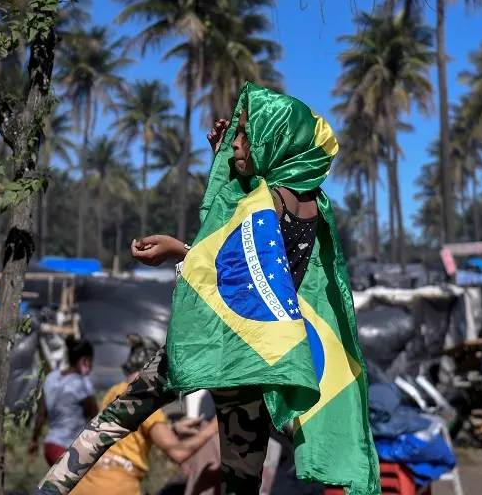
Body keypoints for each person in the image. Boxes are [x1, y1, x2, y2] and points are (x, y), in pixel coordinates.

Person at [36, 83, 377, 495]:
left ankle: (50, 490)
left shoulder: (266, 201)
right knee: (241, 483)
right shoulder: (311, 204)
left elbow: (224, 261)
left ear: (273, 139)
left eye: (246, 134)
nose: (236, 142)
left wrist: (175, 248)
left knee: (113, 421)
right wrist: (226, 162)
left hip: (209, 339)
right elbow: (235, 245)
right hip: (253, 364)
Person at [69, 334, 219, 495]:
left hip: (84, 484)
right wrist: (213, 427)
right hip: (117, 487)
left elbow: (129, 436)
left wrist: (173, 429)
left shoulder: (113, 393)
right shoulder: (145, 398)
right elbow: (178, 452)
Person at [30, 338, 99, 466]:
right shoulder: (82, 384)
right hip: (68, 448)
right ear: (84, 360)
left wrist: (34, 440)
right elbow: (95, 417)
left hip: (50, 446)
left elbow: (41, 414)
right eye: (91, 361)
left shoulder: (51, 378)